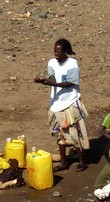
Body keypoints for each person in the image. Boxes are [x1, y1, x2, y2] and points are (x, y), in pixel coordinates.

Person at [33, 38, 89, 172]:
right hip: (57, 103)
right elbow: (52, 78)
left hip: (70, 102)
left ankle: (82, 161)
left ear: (65, 52)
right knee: (60, 134)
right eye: (54, 51)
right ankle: (64, 162)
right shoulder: (52, 63)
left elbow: (70, 83)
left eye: (58, 51)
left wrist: (51, 84)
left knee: (75, 133)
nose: (55, 53)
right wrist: (43, 81)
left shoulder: (72, 64)